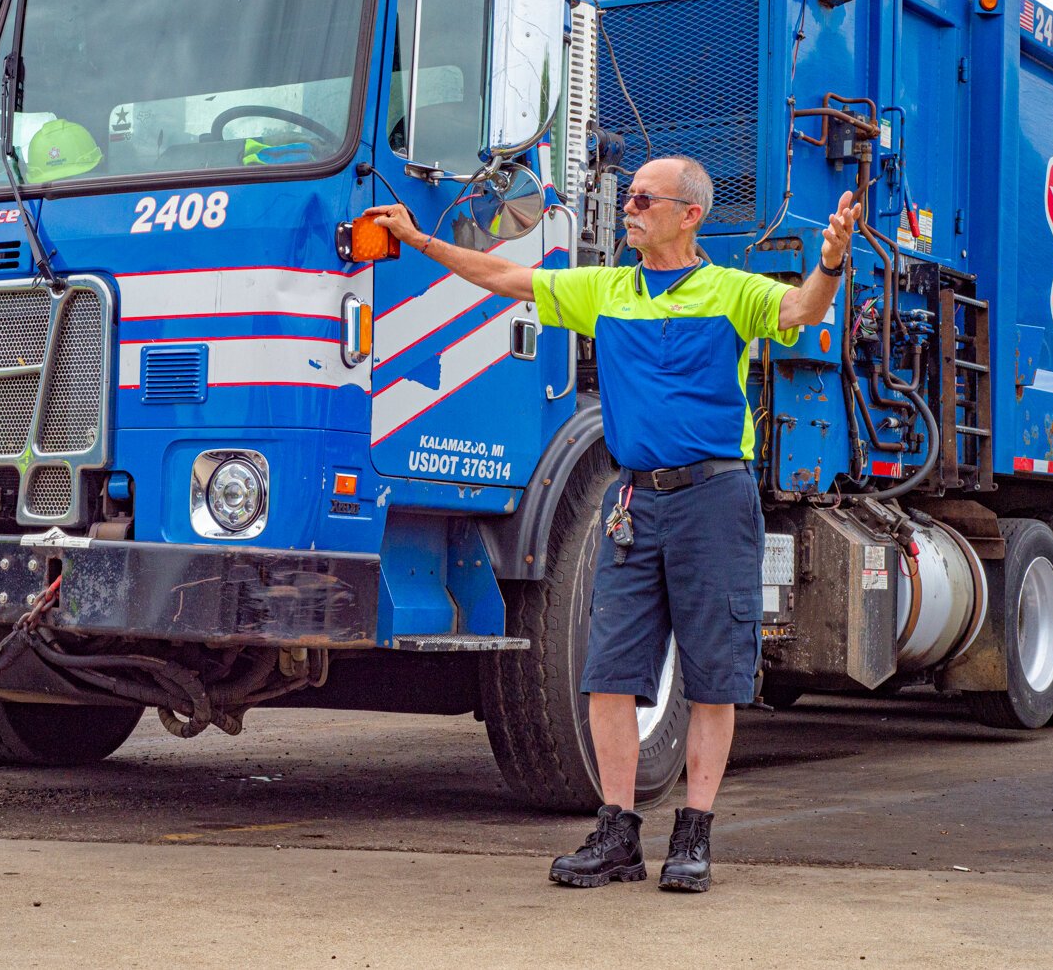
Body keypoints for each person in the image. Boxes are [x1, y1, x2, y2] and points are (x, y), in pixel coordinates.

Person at [366, 156, 858, 894]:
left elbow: (802, 313)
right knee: (608, 674)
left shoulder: (730, 292)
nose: (625, 207)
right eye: (628, 196)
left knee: (713, 677)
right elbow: (507, 280)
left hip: (714, 500)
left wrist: (829, 261)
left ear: (689, 214)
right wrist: (420, 241)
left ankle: (693, 836)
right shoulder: (607, 290)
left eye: (641, 199)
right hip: (636, 502)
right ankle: (617, 834)